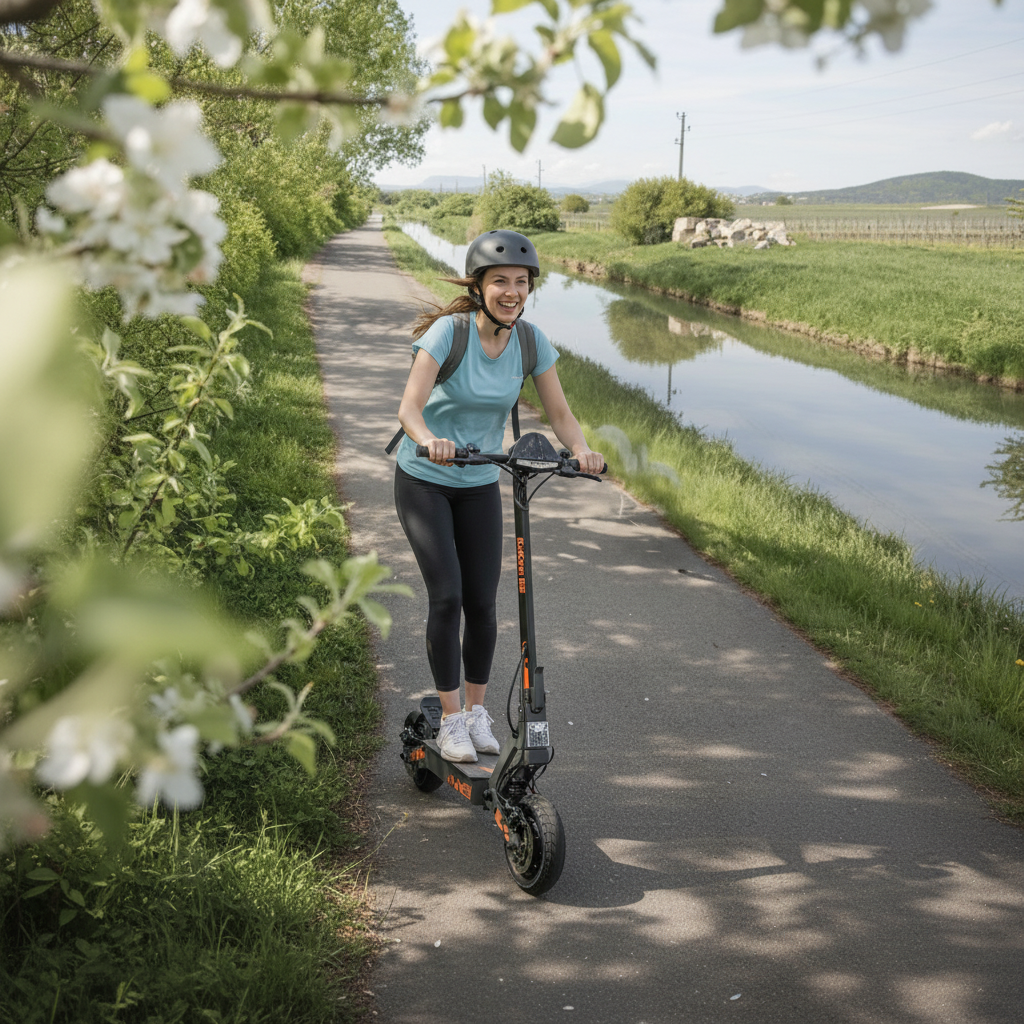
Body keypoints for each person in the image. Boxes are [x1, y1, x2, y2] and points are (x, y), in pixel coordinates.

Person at [393, 229, 604, 763]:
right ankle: (450, 720)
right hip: (425, 479)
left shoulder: (531, 342)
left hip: (480, 481)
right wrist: (429, 440)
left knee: (483, 604)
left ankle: (475, 713)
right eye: (500, 281)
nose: (512, 292)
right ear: (478, 286)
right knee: (448, 596)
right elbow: (409, 408)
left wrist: (581, 449)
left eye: (521, 282)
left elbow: (560, 412)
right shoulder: (449, 333)